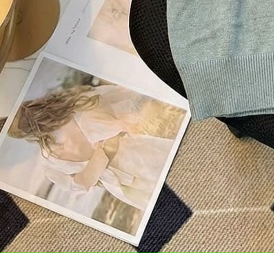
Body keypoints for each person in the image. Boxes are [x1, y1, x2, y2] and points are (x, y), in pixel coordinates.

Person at [8, 82, 174, 211]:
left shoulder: (51, 156)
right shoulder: (78, 102)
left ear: (26, 135)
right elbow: (128, 96)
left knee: (170, 200)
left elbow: (80, 185)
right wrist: (104, 151)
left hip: (126, 174)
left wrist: (98, 163)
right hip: (133, 159)